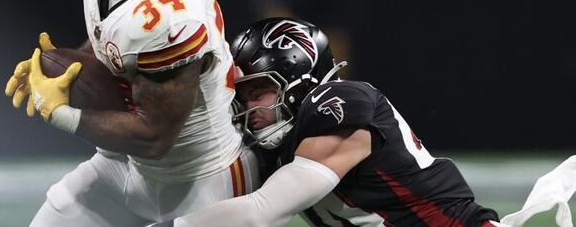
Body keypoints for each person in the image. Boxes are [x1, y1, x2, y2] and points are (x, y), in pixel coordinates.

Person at [4, 0, 258, 226]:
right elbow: (116, 41)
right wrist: (68, 70)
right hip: (127, 166)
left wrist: (60, 114)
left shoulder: (175, 15)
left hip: (202, 181)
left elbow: (155, 136)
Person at [175, 17, 504, 227]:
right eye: (243, 96)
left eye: (260, 91)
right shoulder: (274, 148)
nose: (250, 106)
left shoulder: (339, 103)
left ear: (300, 81)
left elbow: (259, 212)